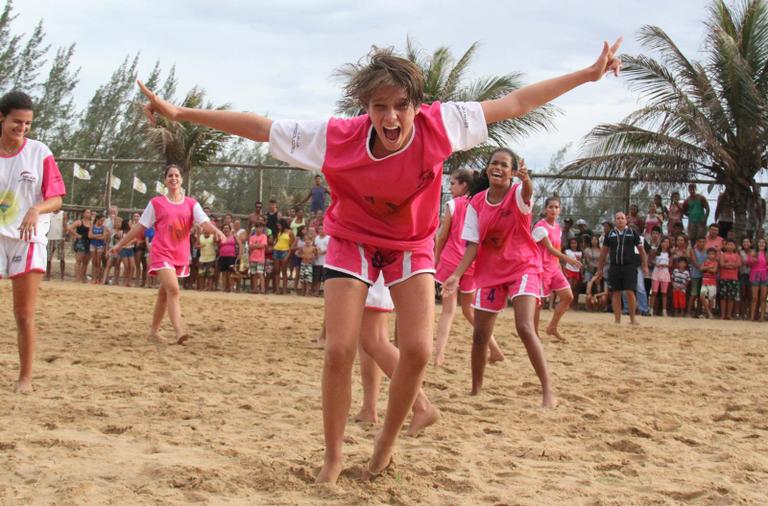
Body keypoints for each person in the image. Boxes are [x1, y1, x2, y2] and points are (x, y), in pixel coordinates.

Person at [138, 37, 623, 483]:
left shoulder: (442, 125)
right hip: (352, 237)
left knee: (416, 349)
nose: (391, 118)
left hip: (411, 242)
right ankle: (332, 456)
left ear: (416, 105)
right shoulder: (337, 136)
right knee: (340, 349)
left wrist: (587, 74)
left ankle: (383, 447)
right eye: (379, 107)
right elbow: (261, 128)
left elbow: (516, 102)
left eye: (400, 107)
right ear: (365, 108)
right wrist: (180, 112)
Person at [445, 150, 556, 408]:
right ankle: (475, 390)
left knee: (524, 327)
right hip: (491, 271)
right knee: (480, 335)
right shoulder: (476, 203)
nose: (498, 168)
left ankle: (548, 391)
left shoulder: (518, 193)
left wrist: (526, 180)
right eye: (494, 163)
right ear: (487, 169)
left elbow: (527, 192)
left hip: (523, 266)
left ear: (513, 172)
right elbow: (472, 245)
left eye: (504, 165)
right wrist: (456, 275)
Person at [109, 164, 224, 343]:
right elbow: (140, 227)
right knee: (173, 289)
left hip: (180, 254)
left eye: (176, 175)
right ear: (165, 180)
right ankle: (179, 331)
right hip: (161, 252)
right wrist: (120, 244)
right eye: (170, 175)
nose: (173, 178)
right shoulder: (156, 203)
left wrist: (218, 232)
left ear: (181, 179)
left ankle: (153, 333)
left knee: (164, 293)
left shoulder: (191, 204)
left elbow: (204, 223)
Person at [0, 91, 66, 393]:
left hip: (28, 238)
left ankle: (25, 378)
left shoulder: (39, 153)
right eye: (17, 122)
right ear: (2, 118)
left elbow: (56, 199)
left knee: (24, 314)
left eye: (27, 123)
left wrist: (35, 209)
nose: (22, 128)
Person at [354, 274, 440, 437]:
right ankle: (368, 408)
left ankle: (421, 405)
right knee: (370, 338)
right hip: (376, 263)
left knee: (374, 338)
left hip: (372, 262)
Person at [434, 168, 504, 366]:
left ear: (464, 185)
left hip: (451, 263)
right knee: (469, 311)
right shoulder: (482, 203)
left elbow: (443, 235)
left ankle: (439, 355)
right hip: (471, 264)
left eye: (453, 183)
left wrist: (436, 258)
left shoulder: (454, 204)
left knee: (448, 311)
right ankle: (495, 349)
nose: (450, 187)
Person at [531, 197, 582, 341]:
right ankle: (534, 333)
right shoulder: (541, 227)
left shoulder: (558, 227)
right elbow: (550, 249)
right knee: (538, 303)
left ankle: (552, 327)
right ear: (545, 209)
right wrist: (569, 260)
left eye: (556, 207)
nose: (554, 210)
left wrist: (560, 265)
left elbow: (556, 248)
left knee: (568, 297)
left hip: (554, 267)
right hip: (540, 267)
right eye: (551, 207)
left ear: (560, 210)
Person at [596, 212, 650, 325]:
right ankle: (617, 319)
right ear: (615, 221)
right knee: (616, 293)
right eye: (617, 218)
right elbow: (603, 253)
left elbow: (642, 251)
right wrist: (599, 268)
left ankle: (632, 319)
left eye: (622, 218)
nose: (620, 220)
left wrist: (645, 266)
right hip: (615, 267)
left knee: (630, 292)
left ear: (626, 220)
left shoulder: (632, 233)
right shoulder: (610, 234)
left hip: (629, 267)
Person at [718, 238, 741, 320]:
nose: (730, 246)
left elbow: (738, 264)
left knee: (731, 298)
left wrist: (727, 264)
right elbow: (721, 264)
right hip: (724, 278)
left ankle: (729, 315)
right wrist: (731, 265)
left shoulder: (737, 255)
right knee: (723, 297)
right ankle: (723, 315)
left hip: (734, 279)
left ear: (735, 246)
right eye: (728, 244)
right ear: (725, 246)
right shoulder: (722, 255)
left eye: (732, 245)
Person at [649, 237, 672, 317]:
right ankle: (651, 309)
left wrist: (665, 265)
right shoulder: (656, 252)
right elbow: (651, 260)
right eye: (664, 242)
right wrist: (656, 264)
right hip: (656, 272)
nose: (666, 243)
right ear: (661, 243)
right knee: (654, 292)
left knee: (664, 293)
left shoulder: (669, 253)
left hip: (665, 273)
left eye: (667, 242)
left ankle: (664, 310)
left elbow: (671, 264)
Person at [68, 209, 92, 283]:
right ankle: (77, 277)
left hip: (89, 242)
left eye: (89, 213)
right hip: (81, 242)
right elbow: (69, 228)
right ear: (83, 214)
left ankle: (83, 277)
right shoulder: (79, 222)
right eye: (87, 212)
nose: (88, 214)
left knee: (86, 262)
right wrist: (76, 235)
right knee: (79, 260)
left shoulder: (91, 223)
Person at [748, 238, 767, 321]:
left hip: (765, 276)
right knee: (754, 297)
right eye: (760, 242)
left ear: (766, 244)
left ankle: (762, 317)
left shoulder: (767, 253)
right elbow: (749, 262)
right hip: (755, 275)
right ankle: (752, 316)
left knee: (763, 298)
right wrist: (752, 260)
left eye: (763, 242)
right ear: (757, 243)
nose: (762, 244)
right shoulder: (753, 252)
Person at [688, 236, 707, 317]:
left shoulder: (707, 251)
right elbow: (693, 261)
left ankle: (698, 312)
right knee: (693, 294)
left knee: (701, 295)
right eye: (700, 241)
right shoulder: (693, 250)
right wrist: (702, 268)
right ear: (697, 243)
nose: (702, 243)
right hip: (695, 274)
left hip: (704, 275)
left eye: (703, 242)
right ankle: (688, 312)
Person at [272, 219, 292, 295]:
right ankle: (277, 289)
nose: (278, 226)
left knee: (284, 271)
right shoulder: (279, 232)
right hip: (277, 250)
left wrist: (288, 255)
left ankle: (284, 289)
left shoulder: (289, 232)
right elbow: (277, 241)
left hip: (285, 251)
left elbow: (291, 245)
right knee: (277, 271)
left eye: (279, 225)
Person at [45, 209, 66, 280]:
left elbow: (64, 225)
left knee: (62, 257)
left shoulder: (63, 213)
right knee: (48, 258)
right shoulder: (49, 213)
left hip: (60, 238)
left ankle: (62, 276)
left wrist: (63, 236)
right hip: (50, 237)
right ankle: (48, 276)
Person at [217, 223, 237, 293]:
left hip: (231, 256)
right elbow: (217, 243)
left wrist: (239, 255)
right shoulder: (220, 236)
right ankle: (224, 288)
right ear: (222, 229)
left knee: (230, 273)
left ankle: (231, 288)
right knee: (224, 273)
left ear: (230, 229)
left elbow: (239, 244)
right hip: (222, 256)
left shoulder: (233, 236)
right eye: (224, 228)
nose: (226, 229)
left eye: (227, 228)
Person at [563, 237, 583, 309]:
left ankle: (573, 304)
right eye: (572, 243)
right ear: (570, 244)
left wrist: (581, 272)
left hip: (576, 271)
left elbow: (580, 262)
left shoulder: (580, 253)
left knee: (575, 288)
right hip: (569, 270)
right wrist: (564, 271)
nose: (573, 245)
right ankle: (567, 304)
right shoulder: (567, 251)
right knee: (570, 287)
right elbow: (564, 262)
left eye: (575, 243)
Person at [699, 248, 719, 319]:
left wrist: (706, 268)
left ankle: (709, 314)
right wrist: (709, 267)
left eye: (713, 254)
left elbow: (714, 270)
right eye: (710, 254)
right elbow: (701, 268)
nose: (711, 255)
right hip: (705, 280)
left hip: (712, 281)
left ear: (715, 255)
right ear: (707, 255)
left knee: (711, 298)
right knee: (702, 296)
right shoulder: (705, 262)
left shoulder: (716, 262)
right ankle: (709, 312)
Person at [248, 222, 268, 294]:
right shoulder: (252, 237)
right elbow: (250, 246)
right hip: (253, 257)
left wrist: (254, 245)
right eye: (257, 227)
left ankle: (262, 289)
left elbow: (263, 246)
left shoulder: (264, 236)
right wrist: (257, 245)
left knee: (260, 273)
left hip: (260, 258)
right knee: (254, 274)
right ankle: (255, 288)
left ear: (262, 228)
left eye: (260, 227)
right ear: (255, 228)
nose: (259, 229)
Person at [196, 225, 217, 291]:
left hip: (211, 258)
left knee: (210, 275)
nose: (206, 231)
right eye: (205, 230)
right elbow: (195, 245)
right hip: (202, 259)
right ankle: (202, 288)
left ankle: (209, 288)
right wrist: (199, 246)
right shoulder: (200, 237)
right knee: (201, 274)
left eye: (207, 230)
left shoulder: (212, 237)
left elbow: (216, 242)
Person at [88, 214, 107, 284]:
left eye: (103, 221)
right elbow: (89, 236)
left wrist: (94, 236)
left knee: (98, 262)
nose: (102, 222)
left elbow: (103, 237)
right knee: (94, 262)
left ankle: (98, 278)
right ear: (97, 219)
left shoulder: (103, 227)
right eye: (101, 220)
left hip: (100, 245)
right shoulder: (92, 226)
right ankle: (94, 278)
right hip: (93, 245)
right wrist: (99, 235)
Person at [298, 231, 318, 296]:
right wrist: (302, 256)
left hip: (309, 264)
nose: (307, 241)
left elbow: (316, 255)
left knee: (308, 279)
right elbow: (297, 253)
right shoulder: (302, 247)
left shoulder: (313, 248)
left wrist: (312, 258)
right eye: (306, 240)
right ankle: (302, 291)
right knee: (302, 278)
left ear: (311, 240)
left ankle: (307, 291)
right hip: (303, 263)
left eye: (308, 240)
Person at [313, 224, 329, 296]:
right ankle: (317, 292)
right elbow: (314, 247)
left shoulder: (328, 238)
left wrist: (323, 252)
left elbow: (330, 248)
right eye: (319, 229)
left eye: (322, 229)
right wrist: (316, 252)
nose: (320, 230)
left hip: (326, 262)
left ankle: (325, 292)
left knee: (325, 279)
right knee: (317, 278)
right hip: (317, 261)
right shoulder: (316, 238)